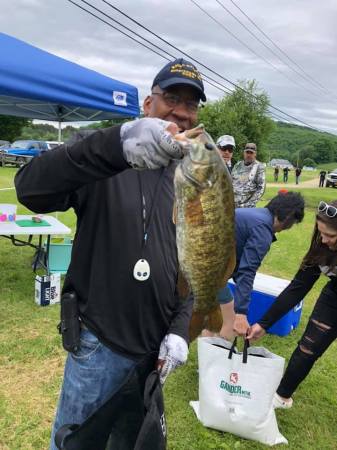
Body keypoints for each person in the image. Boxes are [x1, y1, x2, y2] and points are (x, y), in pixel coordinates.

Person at [14, 58, 206, 450]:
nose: (182, 113)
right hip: (98, 341)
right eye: (172, 98)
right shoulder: (108, 156)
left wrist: (178, 328)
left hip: (154, 350)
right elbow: (30, 190)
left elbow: (193, 262)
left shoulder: (190, 178)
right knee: (78, 443)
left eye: (192, 104)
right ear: (149, 104)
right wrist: (116, 144)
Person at [248, 200, 337, 409]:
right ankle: (282, 396)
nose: (323, 240)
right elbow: (297, 288)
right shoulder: (322, 248)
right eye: (321, 233)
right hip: (334, 297)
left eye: (331, 236)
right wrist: (264, 323)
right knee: (308, 347)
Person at [203, 191, 305, 338]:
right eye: (293, 223)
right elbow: (247, 270)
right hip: (207, 269)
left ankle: (207, 351)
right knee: (229, 319)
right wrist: (241, 313)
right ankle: (217, 358)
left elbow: (239, 266)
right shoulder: (263, 230)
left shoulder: (254, 214)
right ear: (288, 217)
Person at [231, 142, 266, 208]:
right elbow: (231, 182)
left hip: (247, 207)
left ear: (255, 154)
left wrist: (248, 205)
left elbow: (261, 189)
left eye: (251, 153)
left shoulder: (259, 167)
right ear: (244, 153)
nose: (249, 155)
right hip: (233, 204)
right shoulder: (237, 165)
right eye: (247, 152)